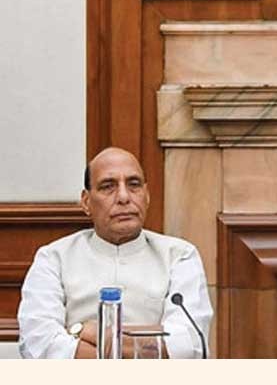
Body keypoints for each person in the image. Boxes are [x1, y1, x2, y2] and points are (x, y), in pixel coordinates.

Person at [17, 147, 212, 359]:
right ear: (86, 201)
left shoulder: (180, 255)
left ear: (146, 195)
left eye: (134, 185)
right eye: (108, 187)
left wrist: (92, 333)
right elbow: (38, 343)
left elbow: (189, 344)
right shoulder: (54, 258)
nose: (123, 197)